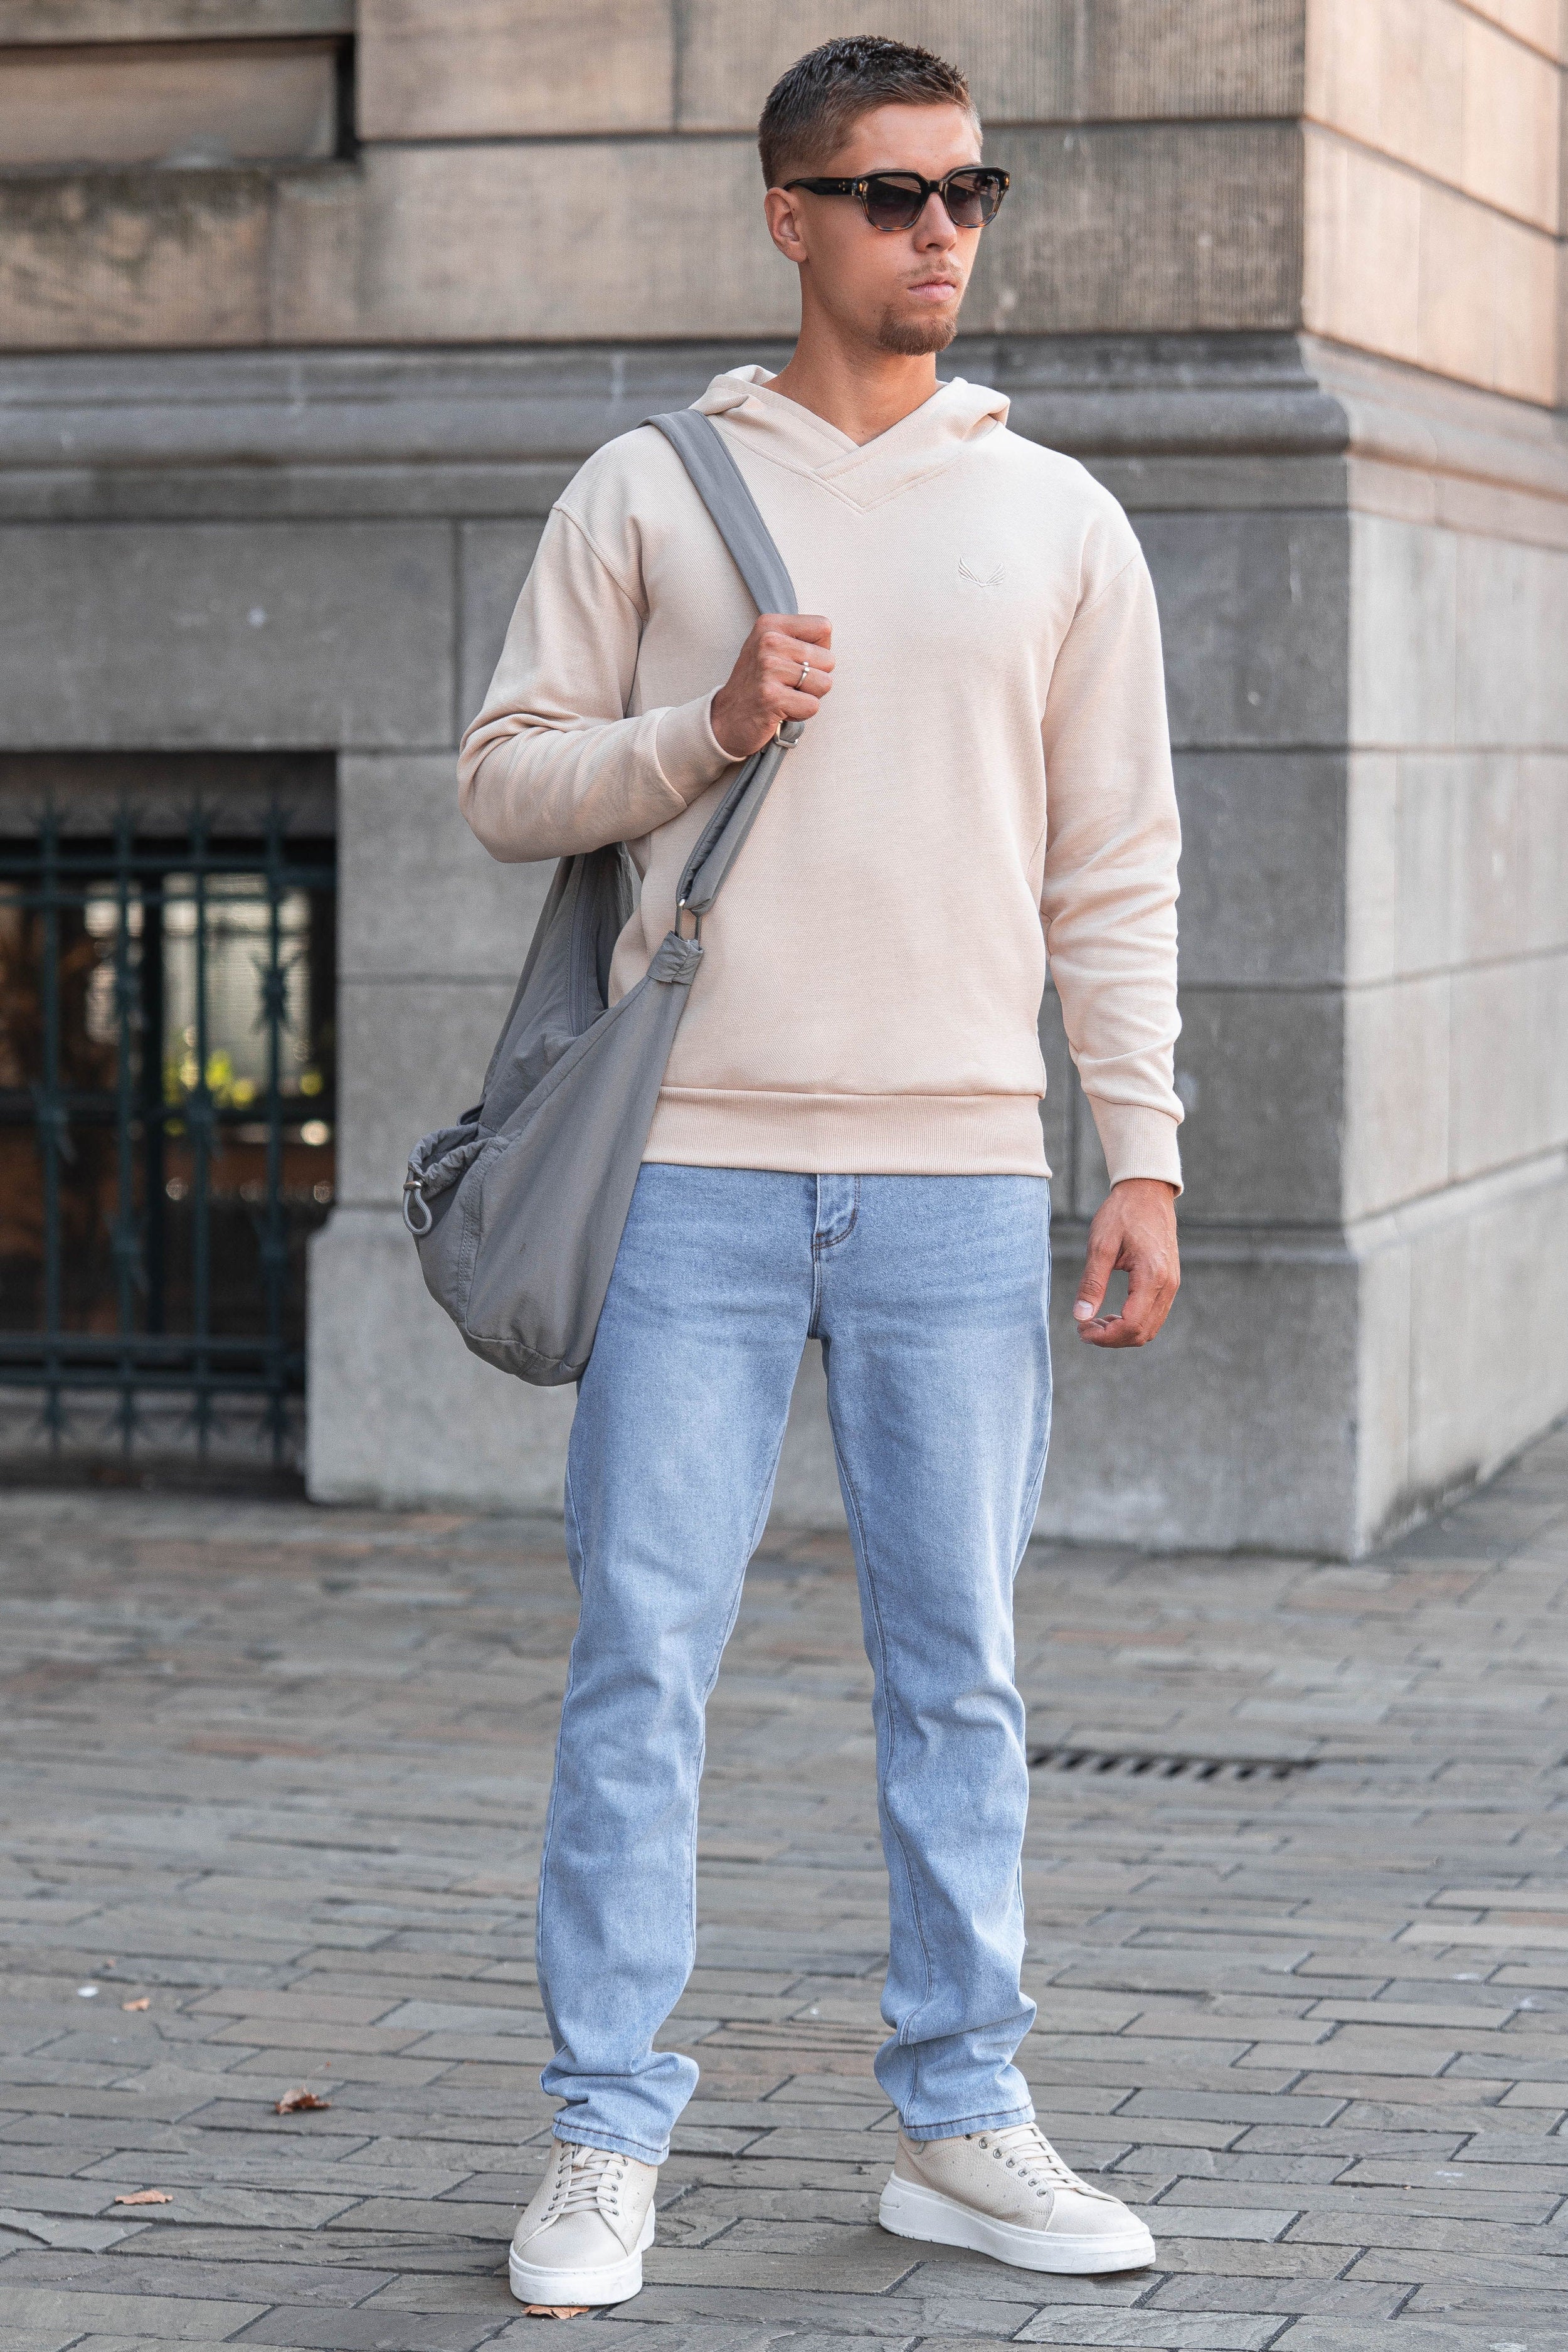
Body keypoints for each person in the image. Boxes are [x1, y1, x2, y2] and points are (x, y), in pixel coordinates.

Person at [458, 34, 1182, 2311]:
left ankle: (961, 2121)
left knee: (958, 1672)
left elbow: (1115, 865)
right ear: (790, 218)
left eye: (970, 190)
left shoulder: (1054, 515)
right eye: (891, 193)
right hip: (686, 1168)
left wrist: (1141, 1151)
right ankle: (602, 2139)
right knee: (640, 1665)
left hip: (959, 1175)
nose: (938, 229)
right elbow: (502, 783)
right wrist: (707, 730)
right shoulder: (649, 491)